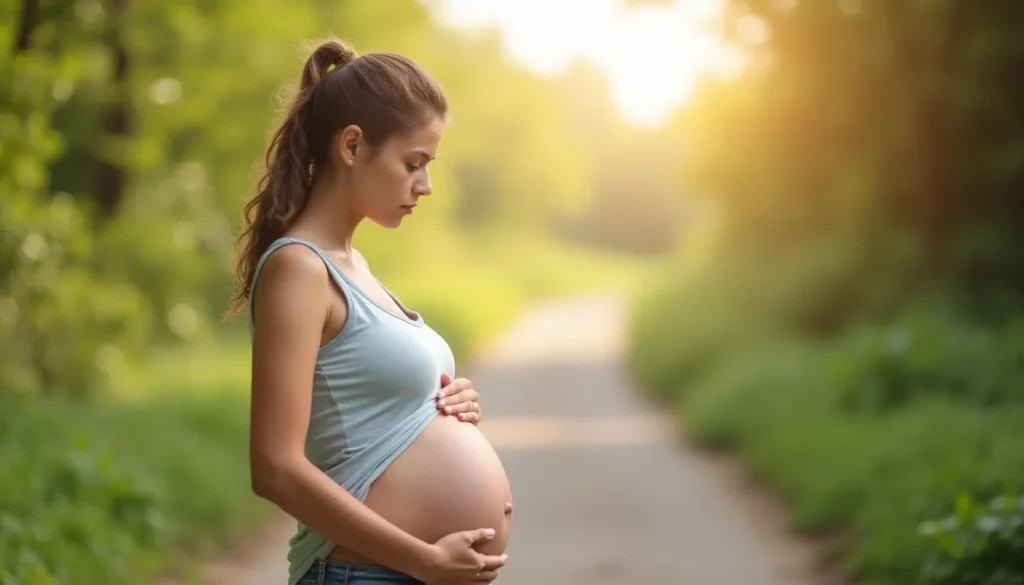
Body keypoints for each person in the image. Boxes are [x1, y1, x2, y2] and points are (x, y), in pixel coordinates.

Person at [229, 38, 514, 585]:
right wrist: (423, 559)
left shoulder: (352, 264)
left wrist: (446, 405)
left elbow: (369, 404)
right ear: (354, 146)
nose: (424, 186)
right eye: (414, 164)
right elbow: (274, 469)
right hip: (365, 575)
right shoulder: (300, 269)